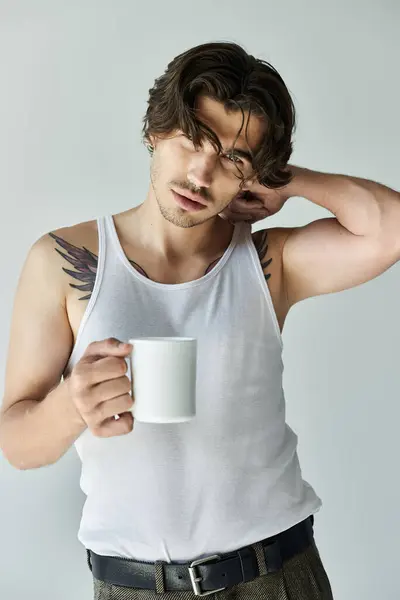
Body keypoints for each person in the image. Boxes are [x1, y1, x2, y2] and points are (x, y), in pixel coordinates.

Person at [0, 41, 399, 600]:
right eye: (194, 140)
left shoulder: (267, 264)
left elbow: (391, 229)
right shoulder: (61, 260)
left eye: (233, 159)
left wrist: (290, 179)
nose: (200, 173)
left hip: (276, 575)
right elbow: (17, 443)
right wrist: (72, 405)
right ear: (155, 132)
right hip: (133, 585)